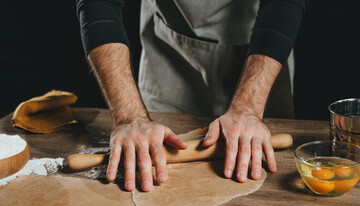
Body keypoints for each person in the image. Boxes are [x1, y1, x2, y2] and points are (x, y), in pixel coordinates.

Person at [76, 0, 306, 192]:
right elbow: (99, 4)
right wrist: (129, 117)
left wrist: (249, 108)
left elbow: (283, 4)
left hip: (263, 51)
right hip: (170, 52)